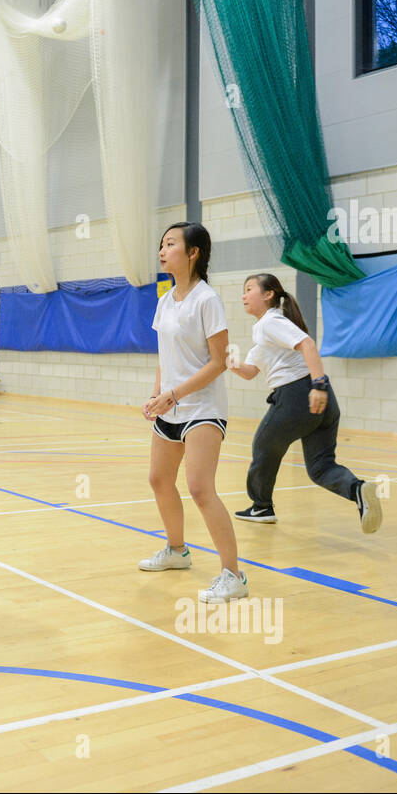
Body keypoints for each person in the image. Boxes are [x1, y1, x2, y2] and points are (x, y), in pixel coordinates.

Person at [140, 222, 247, 603]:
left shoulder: (207, 300)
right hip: (170, 407)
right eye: (161, 243)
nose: (162, 250)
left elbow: (219, 362)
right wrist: (157, 395)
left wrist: (174, 393)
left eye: (170, 244)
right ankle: (177, 551)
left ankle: (233, 576)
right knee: (158, 479)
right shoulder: (165, 301)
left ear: (193, 252)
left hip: (202, 408)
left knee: (201, 488)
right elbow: (164, 358)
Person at [229, 272, 383, 532]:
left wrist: (317, 385)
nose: (243, 295)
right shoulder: (264, 335)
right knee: (320, 467)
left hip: (299, 396)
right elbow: (249, 371)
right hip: (321, 402)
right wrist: (227, 361)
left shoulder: (271, 322)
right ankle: (357, 490)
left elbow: (308, 344)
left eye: (249, 289)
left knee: (263, 444)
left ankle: (261, 506)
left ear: (268, 295)